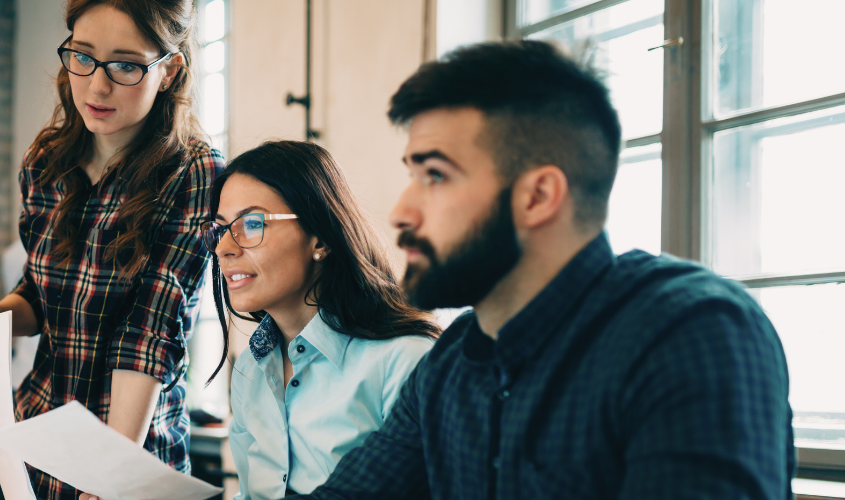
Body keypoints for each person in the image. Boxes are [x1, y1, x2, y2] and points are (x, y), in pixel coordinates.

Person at [288, 41, 795, 499]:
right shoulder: (450, 366)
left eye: (435, 175)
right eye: (412, 175)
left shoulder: (692, 334)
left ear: (538, 196)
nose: (400, 211)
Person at [0, 0, 223, 498]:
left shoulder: (193, 171)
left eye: (126, 66)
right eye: (83, 56)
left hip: (133, 451)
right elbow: (38, 290)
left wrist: (112, 474)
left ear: (170, 70)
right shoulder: (47, 160)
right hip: (38, 441)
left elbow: (150, 333)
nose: (97, 85)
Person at [201, 141, 442, 498]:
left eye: (252, 223)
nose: (224, 247)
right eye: (220, 229)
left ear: (321, 239)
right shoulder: (251, 368)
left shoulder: (405, 361)